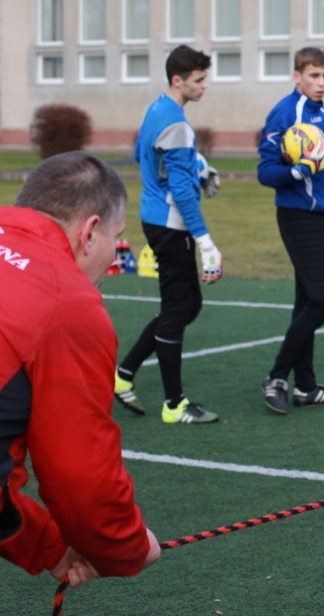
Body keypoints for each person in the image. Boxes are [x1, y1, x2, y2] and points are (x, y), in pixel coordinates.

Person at [1, 152, 161, 586]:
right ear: (90, 232)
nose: (113, 255)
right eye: (116, 236)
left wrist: (47, 546)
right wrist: (127, 548)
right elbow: (79, 477)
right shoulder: (66, 302)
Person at [115, 44, 223, 424]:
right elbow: (179, 188)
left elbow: (149, 153)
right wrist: (206, 241)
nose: (204, 85)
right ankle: (174, 405)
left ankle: (123, 374)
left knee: (186, 306)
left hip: (157, 216)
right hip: (169, 222)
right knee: (178, 309)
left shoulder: (160, 108)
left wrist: (200, 168)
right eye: (198, 80)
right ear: (178, 80)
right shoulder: (176, 122)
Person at [257, 47, 324, 414]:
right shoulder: (286, 113)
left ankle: (306, 387)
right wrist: (299, 171)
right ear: (297, 76)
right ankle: (276, 377)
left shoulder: (322, 112)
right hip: (299, 217)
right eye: (314, 76)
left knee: (306, 302)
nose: (321, 83)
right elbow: (264, 172)